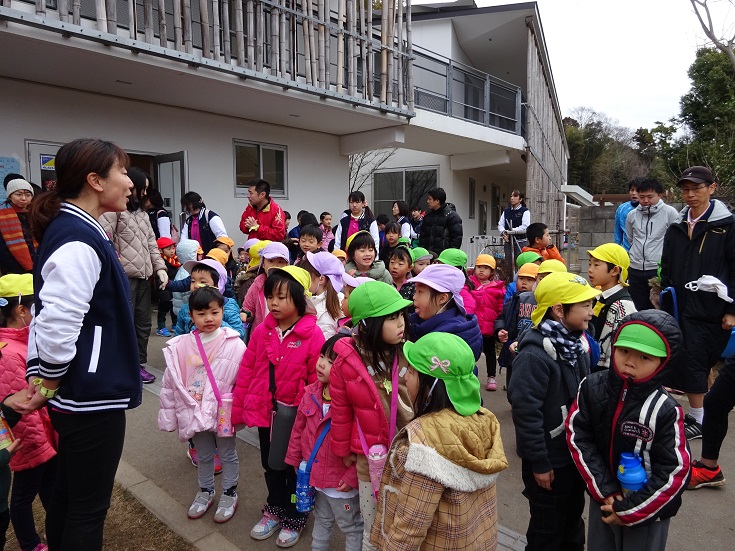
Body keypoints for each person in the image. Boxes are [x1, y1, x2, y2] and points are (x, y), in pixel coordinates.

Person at [22, 138, 142, 550]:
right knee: (88, 509)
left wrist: (41, 376)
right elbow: (55, 321)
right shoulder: (78, 237)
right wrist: (49, 379)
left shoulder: (78, 228)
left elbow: (43, 313)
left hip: (81, 392)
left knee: (69, 495)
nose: (130, 182)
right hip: (90, 395)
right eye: (122, 172)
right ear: (95, 180)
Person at [370, 332, 508, 550]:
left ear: (431, 385)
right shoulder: (484, 420)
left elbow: (409, 529)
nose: (406, 378)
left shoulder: (424, 444)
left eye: (412, 371)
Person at [566, 310, 690, 550]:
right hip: (604, 498)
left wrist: (631, 510)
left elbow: (675, 469)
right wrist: (604, 490)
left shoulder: (665, 409)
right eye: (623, 351)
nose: (630, 362)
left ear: (664, 362)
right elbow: (578, 435)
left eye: (644, 357)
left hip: (647, 510)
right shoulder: (592, 386)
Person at [508, 271, 600, 551]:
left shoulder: (577, 345)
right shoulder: (534, 355)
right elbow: (526, 413)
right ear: (559, 310)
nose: (591, 311)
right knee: (547, 531)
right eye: (585, 305)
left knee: (572, 522)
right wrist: (540, 463)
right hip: (550, 460)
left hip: (573, 455)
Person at [232, 267, 325, 547]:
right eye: (270, 296)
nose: (273, 303)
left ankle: (296, 513)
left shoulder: (313, 335)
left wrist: (312, 419)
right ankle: (274, 506)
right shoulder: (262, 331)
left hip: (296, 418)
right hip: (266, 412)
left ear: (299, 298)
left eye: (281, 297)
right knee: (271, 464)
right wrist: (238, 410)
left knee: (295, 468)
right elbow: (247, 369)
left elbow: (317, 383)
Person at [329, 281, 414, 551]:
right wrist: (344, 451)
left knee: (403, 526)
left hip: (409, 455)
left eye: (401, 315)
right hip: (370, 459)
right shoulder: (346, 362)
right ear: (367, 325)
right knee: (372, 526)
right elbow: (341, 411)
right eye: (391, 318)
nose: (401, 323)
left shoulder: (410, 353)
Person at [158, 286, 246, 522]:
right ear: (191, 315)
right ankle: (205, 490)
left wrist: (243, 409)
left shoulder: (234, 344)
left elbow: (245, 379)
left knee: (227, 453)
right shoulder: (181, 345)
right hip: (194, 410)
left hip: (223, 410)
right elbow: (170, 382)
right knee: (204, 454)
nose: (209, 318)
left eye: (214, 312)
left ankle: (229, 492)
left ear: (222, 312)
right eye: (202, 313)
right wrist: (169, 416)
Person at [660, 165, 735, 440]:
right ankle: (700, 415)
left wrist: (732, 309)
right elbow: (666, 263)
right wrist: (665, 293)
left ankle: (700, 418)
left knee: (699, 360)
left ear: (711, 188)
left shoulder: (727, 226)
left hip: (713, 308)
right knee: (691, 359)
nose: (690, 194)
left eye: (696, 188)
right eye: (685, 189)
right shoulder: (677, 226)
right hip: (681, 306)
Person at [285, 335, 363, 551]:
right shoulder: (311, 393)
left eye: (330, 361)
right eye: (321, 356)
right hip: (315, 476)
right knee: (322, 519)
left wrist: (353, 475)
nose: (321, 364)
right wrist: (295, 459)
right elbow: (298, 429)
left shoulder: (354, 403)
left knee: (351, 526)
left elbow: (361, 446)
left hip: (340, 483)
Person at [0, 274, 56, 551]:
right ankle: (30, 543)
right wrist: (39, 441)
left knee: (48, 487)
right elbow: (19, 404)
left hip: (41, 434)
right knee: (23, 496)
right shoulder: (8, 353)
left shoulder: (22, 341)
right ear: (22, 310)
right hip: (28, 439)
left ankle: (58, 527)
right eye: (37, 307)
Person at [99, 166, 168, 384]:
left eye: (147, 189)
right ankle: (123, 366)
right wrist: (115, 270)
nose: (144, 193)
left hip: (143, 278)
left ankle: (138, 365)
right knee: (124, 323)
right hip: (124, 279)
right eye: (142, 188)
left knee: (143, 324)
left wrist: (160, 268)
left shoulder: (143, 215)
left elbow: (151, 244)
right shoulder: (113, 212)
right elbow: (105, 241)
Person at [410, 264, 483, 362]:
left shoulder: (450, 339)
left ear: (442, 298)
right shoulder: (416, 322)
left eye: (420, 292)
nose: (414, 297)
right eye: (415, 291)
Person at [625, 178, 677, 310]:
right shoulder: (632, 215)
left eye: (650, 197)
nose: (645, 200)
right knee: (637, 307)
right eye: (642, 197)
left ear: (660, 195)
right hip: (635, 268)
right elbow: (630, 238)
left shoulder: (670, 213)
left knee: (658, 307)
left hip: (657, 269)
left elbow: (675, 240)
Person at [586, 244, 636, 372]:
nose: (590, 270)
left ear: (615, 271)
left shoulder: (623, 306)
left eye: (596, 265)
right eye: (589, 264)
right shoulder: (598, 297)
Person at [495, 262, 539, 387]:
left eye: (530, 280)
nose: (524, 283)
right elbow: (502, 318)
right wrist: (500, 330)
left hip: (532, 350)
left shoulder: (542, 302)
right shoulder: (514, 300)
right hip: (513, 349)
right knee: (512, 384)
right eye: (521, 279)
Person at [470, 254, 505, 391]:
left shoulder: (497, 288)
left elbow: (501, 308)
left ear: (492, 271)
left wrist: (500, 322)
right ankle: (469, 373)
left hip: (489, 327)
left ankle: (491, 376)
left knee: (490, 353)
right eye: (479, 267)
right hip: (474, 326)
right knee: (471, 352)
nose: (481, 270)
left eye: (486, 268)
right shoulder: (470, 284)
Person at [241, 241, 289, 331]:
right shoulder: (258, 284)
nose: (275, 265)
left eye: (280, 262)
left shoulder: (291, 285)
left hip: (283, 332)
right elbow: (248, 307)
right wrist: (245, 314)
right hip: (260, 333)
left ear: (287, 265)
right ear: (263, 263)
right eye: (270, 261)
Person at [301, 251, 345, 339]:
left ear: (321, 279)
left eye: (306, 276)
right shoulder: (339, 297)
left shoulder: (323, 309)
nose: (303, 279)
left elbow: (324, 339)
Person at [0, 177, 36, 275]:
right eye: (19, 194)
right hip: (11, 269)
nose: (23, 198)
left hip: (36, 264)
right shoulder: (2, 215)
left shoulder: (35, 213)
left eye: (28, 195)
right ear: (10, 196)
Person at [418, 187, 463, 254]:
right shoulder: (427, 216)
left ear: (437, 201)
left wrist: (449, 255)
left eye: (430, 199)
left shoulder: (452, 216)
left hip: (444, 256)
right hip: (427, 256)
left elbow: (456, 239)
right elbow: (422, 237)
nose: (427, 201)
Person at [435, 248, 476, 315]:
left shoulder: (461, 290)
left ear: (458, 269)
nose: (439, 269)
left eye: (444, 266)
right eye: (438, 264)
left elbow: (468, 311)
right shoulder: (438, 283)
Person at [156, 237, 180, 337]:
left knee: (173, 308)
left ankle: (175, 324)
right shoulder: (161, 262)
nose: (172, 251)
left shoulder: (175, 260)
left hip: (173, 288)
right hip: (164, 289)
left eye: (173, 248)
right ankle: (160, 327)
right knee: (163, 309)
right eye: (168, 249)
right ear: (160, 250)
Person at [498, 189, 530, 263]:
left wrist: (511, 231)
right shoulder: (506, 211)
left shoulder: (525, 211)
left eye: (515, 196)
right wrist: (504, 233)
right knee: (508, 263)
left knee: (521, 262)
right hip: (508, 242)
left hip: (521, 242)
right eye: (511, 196)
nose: (512, 198)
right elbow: (500, 224)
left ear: (520, 199)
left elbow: (525, 226)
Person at [614, 178, 639, 251]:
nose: (634, 193)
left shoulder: (648, 208)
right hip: (626, 251)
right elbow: (618, 232)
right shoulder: (622, 208)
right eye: (632, 190)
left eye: (637, 190)